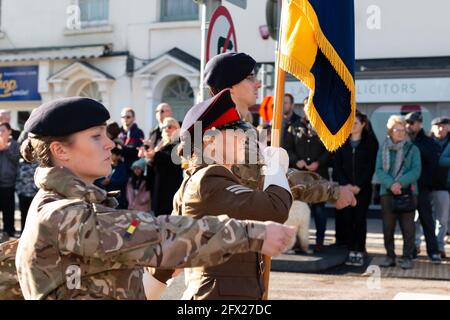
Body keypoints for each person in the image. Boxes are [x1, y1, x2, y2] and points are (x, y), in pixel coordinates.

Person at [11, 96, 294, 300]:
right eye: (96, 137)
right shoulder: (61, 215)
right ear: (61, 151)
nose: (110, 142)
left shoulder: (86, 207)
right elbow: (156, 235)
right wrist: (252, 234)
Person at [152, 89, 293, 300]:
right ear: (209, 141)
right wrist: (274, 168)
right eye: (234, 133)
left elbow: (172, 256)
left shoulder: (200, 180)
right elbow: (275, 209)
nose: (243, 139)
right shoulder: (210, 180)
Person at [202, 52, 356, 210]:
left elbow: (275, 174)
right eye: (250, 78)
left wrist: (332, 190)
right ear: (230, 88)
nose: (258, 84)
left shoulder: (243, 129)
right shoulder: (220, 133)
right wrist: (333, 191)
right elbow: (271, 177)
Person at [333, 111, 379, 266]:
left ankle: (359, 250)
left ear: (363, 124)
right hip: (344, 189)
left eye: (356, 123)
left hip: (363, 190)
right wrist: (345, 185)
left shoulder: (371, 142)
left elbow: (371, 167)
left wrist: (359, 185)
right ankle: (350, 250)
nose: (352, 126)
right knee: (347, 219)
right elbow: (337, 166)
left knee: (359, 220)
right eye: (350, 124)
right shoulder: (341, 142)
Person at [376, 115, 421, 269]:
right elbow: (379, 170)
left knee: (408, 228)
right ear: (390, 131)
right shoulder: (383, 148)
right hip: (387, 193)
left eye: (403, 130)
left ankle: (407, 257)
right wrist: (391, 184)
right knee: (388, 227)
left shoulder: (412, 149)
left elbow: (416, 170)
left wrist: (399, 183)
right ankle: (390, 256)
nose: (401, 133)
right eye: (397, 130)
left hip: (408, 192)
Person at [284, 109, 333, 252]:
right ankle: (299, 243)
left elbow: (330, 148)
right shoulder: (293, 126)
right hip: (299, 176)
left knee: (319, 210)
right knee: (298, 211)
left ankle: (319, 242)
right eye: (307, 107)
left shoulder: (325, 127)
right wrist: (296, 160)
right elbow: (287, 147)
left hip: (319, 175)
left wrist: (318, 162)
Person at [405, 112, 442, 263]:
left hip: (422, 188)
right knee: (408, 222)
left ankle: (433, 251)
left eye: (412, 122)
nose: (409, 125)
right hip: (406, 187)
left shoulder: (427, 142)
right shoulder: (403, 140)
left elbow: (432, 162)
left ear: (420, 123)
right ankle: (411, 251)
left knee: (427, 220)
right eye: (407, 122)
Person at [142, 117, 183, 216]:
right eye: (164, 127)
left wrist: (155, 155)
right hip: (158, 183)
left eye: (169, 127)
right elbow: (155, 162)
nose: (166, 129)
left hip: (171, 184)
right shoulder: (161, 143)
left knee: (168, 214)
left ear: (176, 128)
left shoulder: (179, 143)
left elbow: (174, 160)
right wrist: (150, 158)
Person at [430, 116, 450, 258]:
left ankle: (439, 246)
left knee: (442, 219)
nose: (441, 129)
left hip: (445, 186)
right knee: (421, 218)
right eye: (438, 126)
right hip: (427, 186)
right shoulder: (427, 142)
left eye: (444, 126)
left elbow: (441, 161)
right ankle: (418, 245)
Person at [0, 122, 20, 241]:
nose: (1, 133)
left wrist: (7, 150)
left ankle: (9, 230)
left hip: (9, 183)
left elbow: (17, 160)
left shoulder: (14, 145)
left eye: (3, 130)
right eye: (0, 130)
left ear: (9, 131)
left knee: (9, 208)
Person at [95, 145, 128, 209]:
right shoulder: (105, 165)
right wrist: (101, 182)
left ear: (118, 156)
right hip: (105, 197)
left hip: (118, 198)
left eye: (112, 154)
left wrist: (111, 181)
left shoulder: (122, 167)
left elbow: (123, 181)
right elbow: (98, 178)